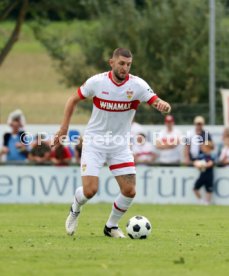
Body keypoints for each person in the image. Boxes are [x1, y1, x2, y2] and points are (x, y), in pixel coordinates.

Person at [53, 48, 171, 238]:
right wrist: (64, 128)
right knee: (90, 191)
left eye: (129, 64)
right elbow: (73, 99)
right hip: (94, 142)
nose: (125, 68)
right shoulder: (97, 82)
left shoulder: (138, 85)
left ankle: (111, 226)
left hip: (119, 144)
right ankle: (75, 207)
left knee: (130, 190)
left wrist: (163, 105)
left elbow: (155, 100)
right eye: (122, 63)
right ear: (112, 63)